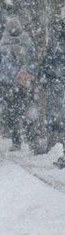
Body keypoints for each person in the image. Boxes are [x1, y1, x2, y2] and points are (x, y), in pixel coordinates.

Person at [0, 16, 35, 151]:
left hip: (21, 82)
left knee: (23, 111)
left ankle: (26, 138)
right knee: (14, 112)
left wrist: (27, 72)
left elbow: (33, 60)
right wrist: (4, 70)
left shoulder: (26, 42)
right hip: (9, 82)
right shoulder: (3, 44)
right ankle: (18, 140)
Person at [38, 18, 65, 168]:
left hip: (58, 84)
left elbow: (49, 61)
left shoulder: (57, 46)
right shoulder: (56, 44)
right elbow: (47, 61)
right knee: (58, 118)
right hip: (55, 84)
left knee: (60, 118)